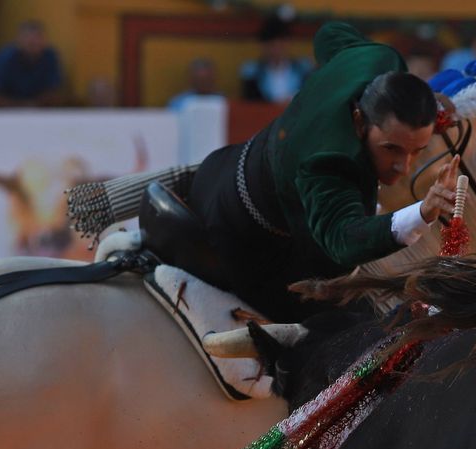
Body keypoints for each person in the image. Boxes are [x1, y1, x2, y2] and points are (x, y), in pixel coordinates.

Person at [182, 22, 460, 322]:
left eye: (416, 150)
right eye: (391, 148)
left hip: (221, 165)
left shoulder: (379, 61)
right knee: (351, 332)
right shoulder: (329, 161)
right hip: (242, 237)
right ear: (359, 121)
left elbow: (330, 34)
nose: (403, 167)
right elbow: (342, 241)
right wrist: (422, 212)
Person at [0, 19, 67, 107]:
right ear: (18, 40)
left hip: (34, 110)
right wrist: (21, 106)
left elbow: (57, 93)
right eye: (28, 38)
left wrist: (32, 105)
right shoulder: (5, 58)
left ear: (44, 40)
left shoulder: (50, 56)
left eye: (38, 38)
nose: (33, 42)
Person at [239, 11, 311, 103]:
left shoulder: (302, 69)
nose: (276, 49)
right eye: (272, 44)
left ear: (288, 43)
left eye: (281, 44)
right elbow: (249, 104)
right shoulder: (252, 72)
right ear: (263, 46)